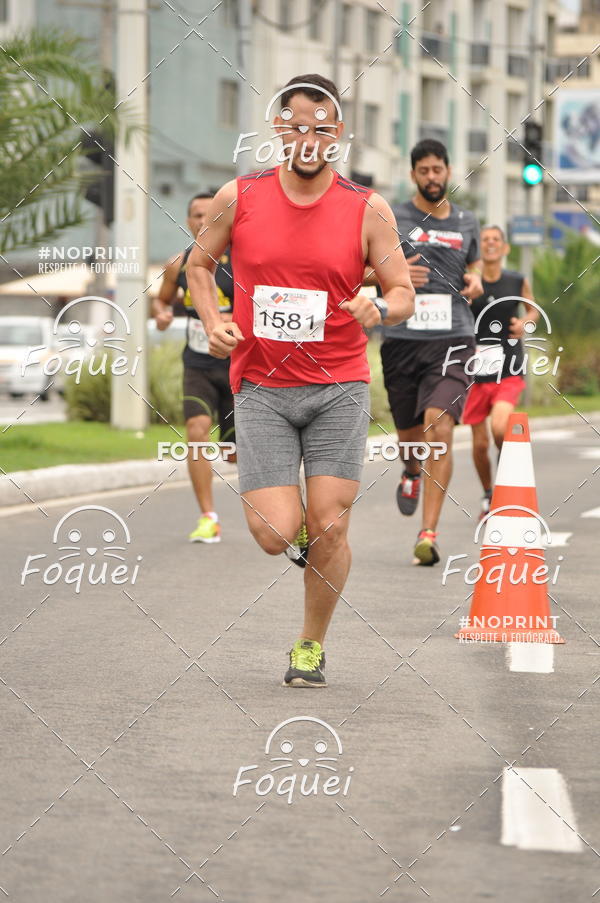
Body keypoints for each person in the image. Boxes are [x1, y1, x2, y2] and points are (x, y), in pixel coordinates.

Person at [187, 74, 414, 688]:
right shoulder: (240, 196)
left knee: (331, 524)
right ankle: (309, 528)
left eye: (321, 128)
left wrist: (380, 307)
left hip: (339, 385)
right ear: (279, 131)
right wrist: (212, 321)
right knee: (272, 534)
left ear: (337, 134)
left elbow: (402, 292)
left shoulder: (367, 208)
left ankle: (310, 645)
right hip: (262, 388)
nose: (308, 139)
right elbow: (199, 266)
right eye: (297, 128)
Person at [380, 139, 482, 566]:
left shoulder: (466, 221)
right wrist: (392, 273)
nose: (432, 177)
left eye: (438, 169)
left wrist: (475, 280)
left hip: (454, 338)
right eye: (423, 170)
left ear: (448, 171)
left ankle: (428, 533)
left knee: (438, 427)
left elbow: (474, 266)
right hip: (402, 340)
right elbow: (361, 267)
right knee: (410, 439)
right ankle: (410, 471)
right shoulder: (392, 217)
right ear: (413, 175)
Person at [153, 193, 235, 543]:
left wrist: (232, 320)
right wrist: (161, 314)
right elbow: (161, 300)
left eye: (209, 214)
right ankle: (208, 517)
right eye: (196, 215)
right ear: (188, 221)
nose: (203, 221)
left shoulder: (243, 260)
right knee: (196, 432)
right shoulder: (179, 263)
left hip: (239, 367)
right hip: (198, 364)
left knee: (236, 452)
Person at [462, 224, 538, 519]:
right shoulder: (469, 281)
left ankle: (507, 483)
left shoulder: (517, 280)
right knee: (480, 444)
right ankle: (488, 494)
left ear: (505, 248)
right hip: (474, 371)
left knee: (498, 428)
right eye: (485, 240)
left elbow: (532, 310)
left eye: (496, 239)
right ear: (479, 248)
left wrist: (525, 323)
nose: (490, 243)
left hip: (509, 368)